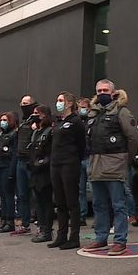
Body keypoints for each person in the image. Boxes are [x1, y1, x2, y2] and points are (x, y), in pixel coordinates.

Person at [82, 80, 138, 256]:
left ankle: (120, 241)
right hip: (95, 166)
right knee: (99, 205)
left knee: (118, 205)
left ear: (113, 92)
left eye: (105, 90)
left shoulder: (122, 112)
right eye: (99, 90)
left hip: (114, 166)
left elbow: (134, 138)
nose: (102, 93)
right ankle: (101, 238)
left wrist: (125, 160)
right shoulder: (93, 114)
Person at [48, 91, 86, 250]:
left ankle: (74, 237)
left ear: (69, 103)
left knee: (71, 201)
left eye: (61, 100)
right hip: (55, 163)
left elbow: (81, 144)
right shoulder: (57, 122)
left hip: (69, 163)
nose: (58, 103)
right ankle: (61, 235)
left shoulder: (76, 121)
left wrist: (74, 158)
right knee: (60, 201)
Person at [29, 105, 54, 243]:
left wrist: (42, 163)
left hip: (45, 172)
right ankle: (41, 227)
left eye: (36, 113)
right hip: (35, 171)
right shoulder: (36, 132)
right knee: (38, 202)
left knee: (46, 202)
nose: (34, 115)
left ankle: (47, 230)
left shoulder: (49, 131)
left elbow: (51, 152)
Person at [13, 95, 38, 236]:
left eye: (26, 103)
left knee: (36, 193)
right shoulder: (23, 122)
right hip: (20, 160)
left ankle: (40, 223)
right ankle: (24, 223)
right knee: (22, 194)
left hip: (31, 161)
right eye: (22, 103)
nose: (23, 105)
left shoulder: (37, 120)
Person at [0, 112, 18, 233]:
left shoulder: (14, 134)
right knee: (2, 195)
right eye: (1, 120)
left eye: (5, 120)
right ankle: (3, 220)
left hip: (7, 167)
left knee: (8, 195)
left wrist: (12, 171)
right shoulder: (0, 135)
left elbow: (14, 154)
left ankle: (10, 221)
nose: (3, 122)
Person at [77, 97, 92, 226]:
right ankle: (82, 215)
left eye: (84, 107)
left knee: (94, 188)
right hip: (80, 158)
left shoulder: (91, 121)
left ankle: (99, 217)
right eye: (80, 107)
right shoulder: (78, 122)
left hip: (89, 158)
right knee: (80, 190)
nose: (82, 109)